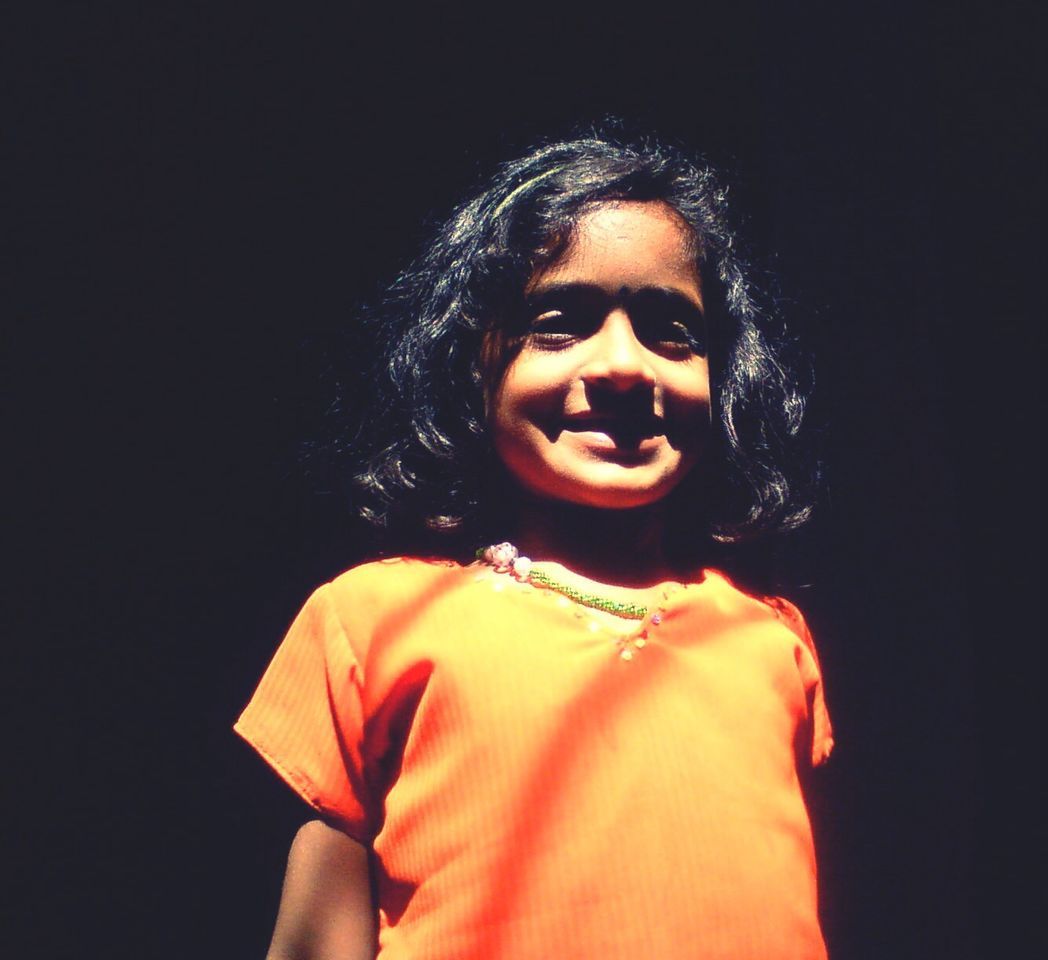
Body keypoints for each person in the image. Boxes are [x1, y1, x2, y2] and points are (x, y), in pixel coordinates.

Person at [236, 133, 834, 960]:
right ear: (468, 366)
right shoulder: (370, 619)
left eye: (672, 332)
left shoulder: (771, 639)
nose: (624, 365)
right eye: (558, 326)